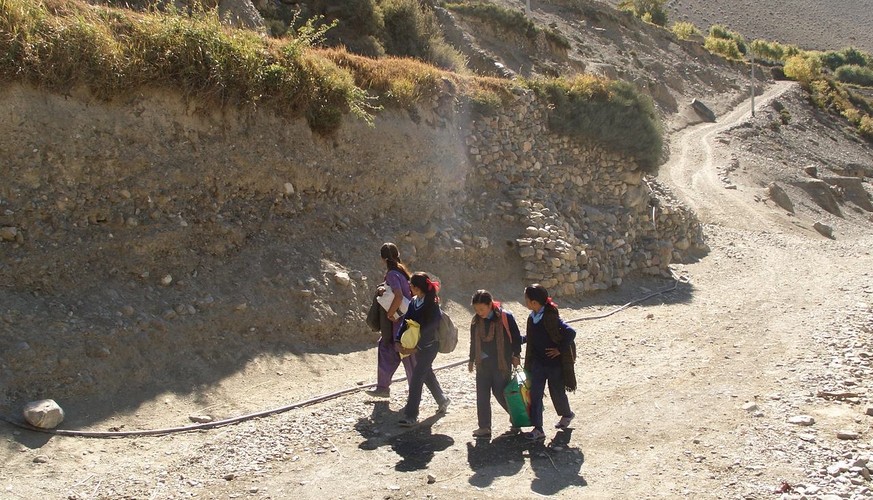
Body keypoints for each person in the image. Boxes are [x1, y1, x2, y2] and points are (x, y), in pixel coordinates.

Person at [522, 284, 576, 441]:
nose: (524, 301)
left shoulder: (551, 317)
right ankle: (538, 428)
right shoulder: (532, 317)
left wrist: (559, 349)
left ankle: (567, 414)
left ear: (534, 302)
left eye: (526, 299)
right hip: (538, 363)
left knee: (557, 392)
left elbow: (570, 332)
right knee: (535, 394)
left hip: (554, 364)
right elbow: (532, 337)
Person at [397, 272, 450, 426]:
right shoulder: (414, 302)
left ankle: (410, 415)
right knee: (426, 373)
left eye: (411, 286)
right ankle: (442, 399)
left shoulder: (431, 303)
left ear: (417, 287)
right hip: (418, 345)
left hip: (429, 345)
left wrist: (416, 347)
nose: (410, 288)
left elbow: (431, 327)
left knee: (417, 378)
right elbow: (406, 321)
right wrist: (398, 339)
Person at [468, 290, 524, 438]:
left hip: (501, 363)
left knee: (501, 393)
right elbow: (473, 341)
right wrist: (471, 359)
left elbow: (516, 338)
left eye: (482, 309)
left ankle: (517, 418)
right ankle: (484, 427)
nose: (479, 312)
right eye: (476, 309)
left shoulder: (505, 317)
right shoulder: (475, 321)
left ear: (490, 305)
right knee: (482, 396)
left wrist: (516, 355)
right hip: (483, 364)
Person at [366, 243, 416, 398]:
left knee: (401, 353)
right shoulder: (402, 273)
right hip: (406, 322)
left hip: (398, 324)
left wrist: (391, 314)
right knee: (393, 352)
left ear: (383, 258)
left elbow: (399, 295)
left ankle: (388, 388)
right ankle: (385, 387)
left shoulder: (392, 274)